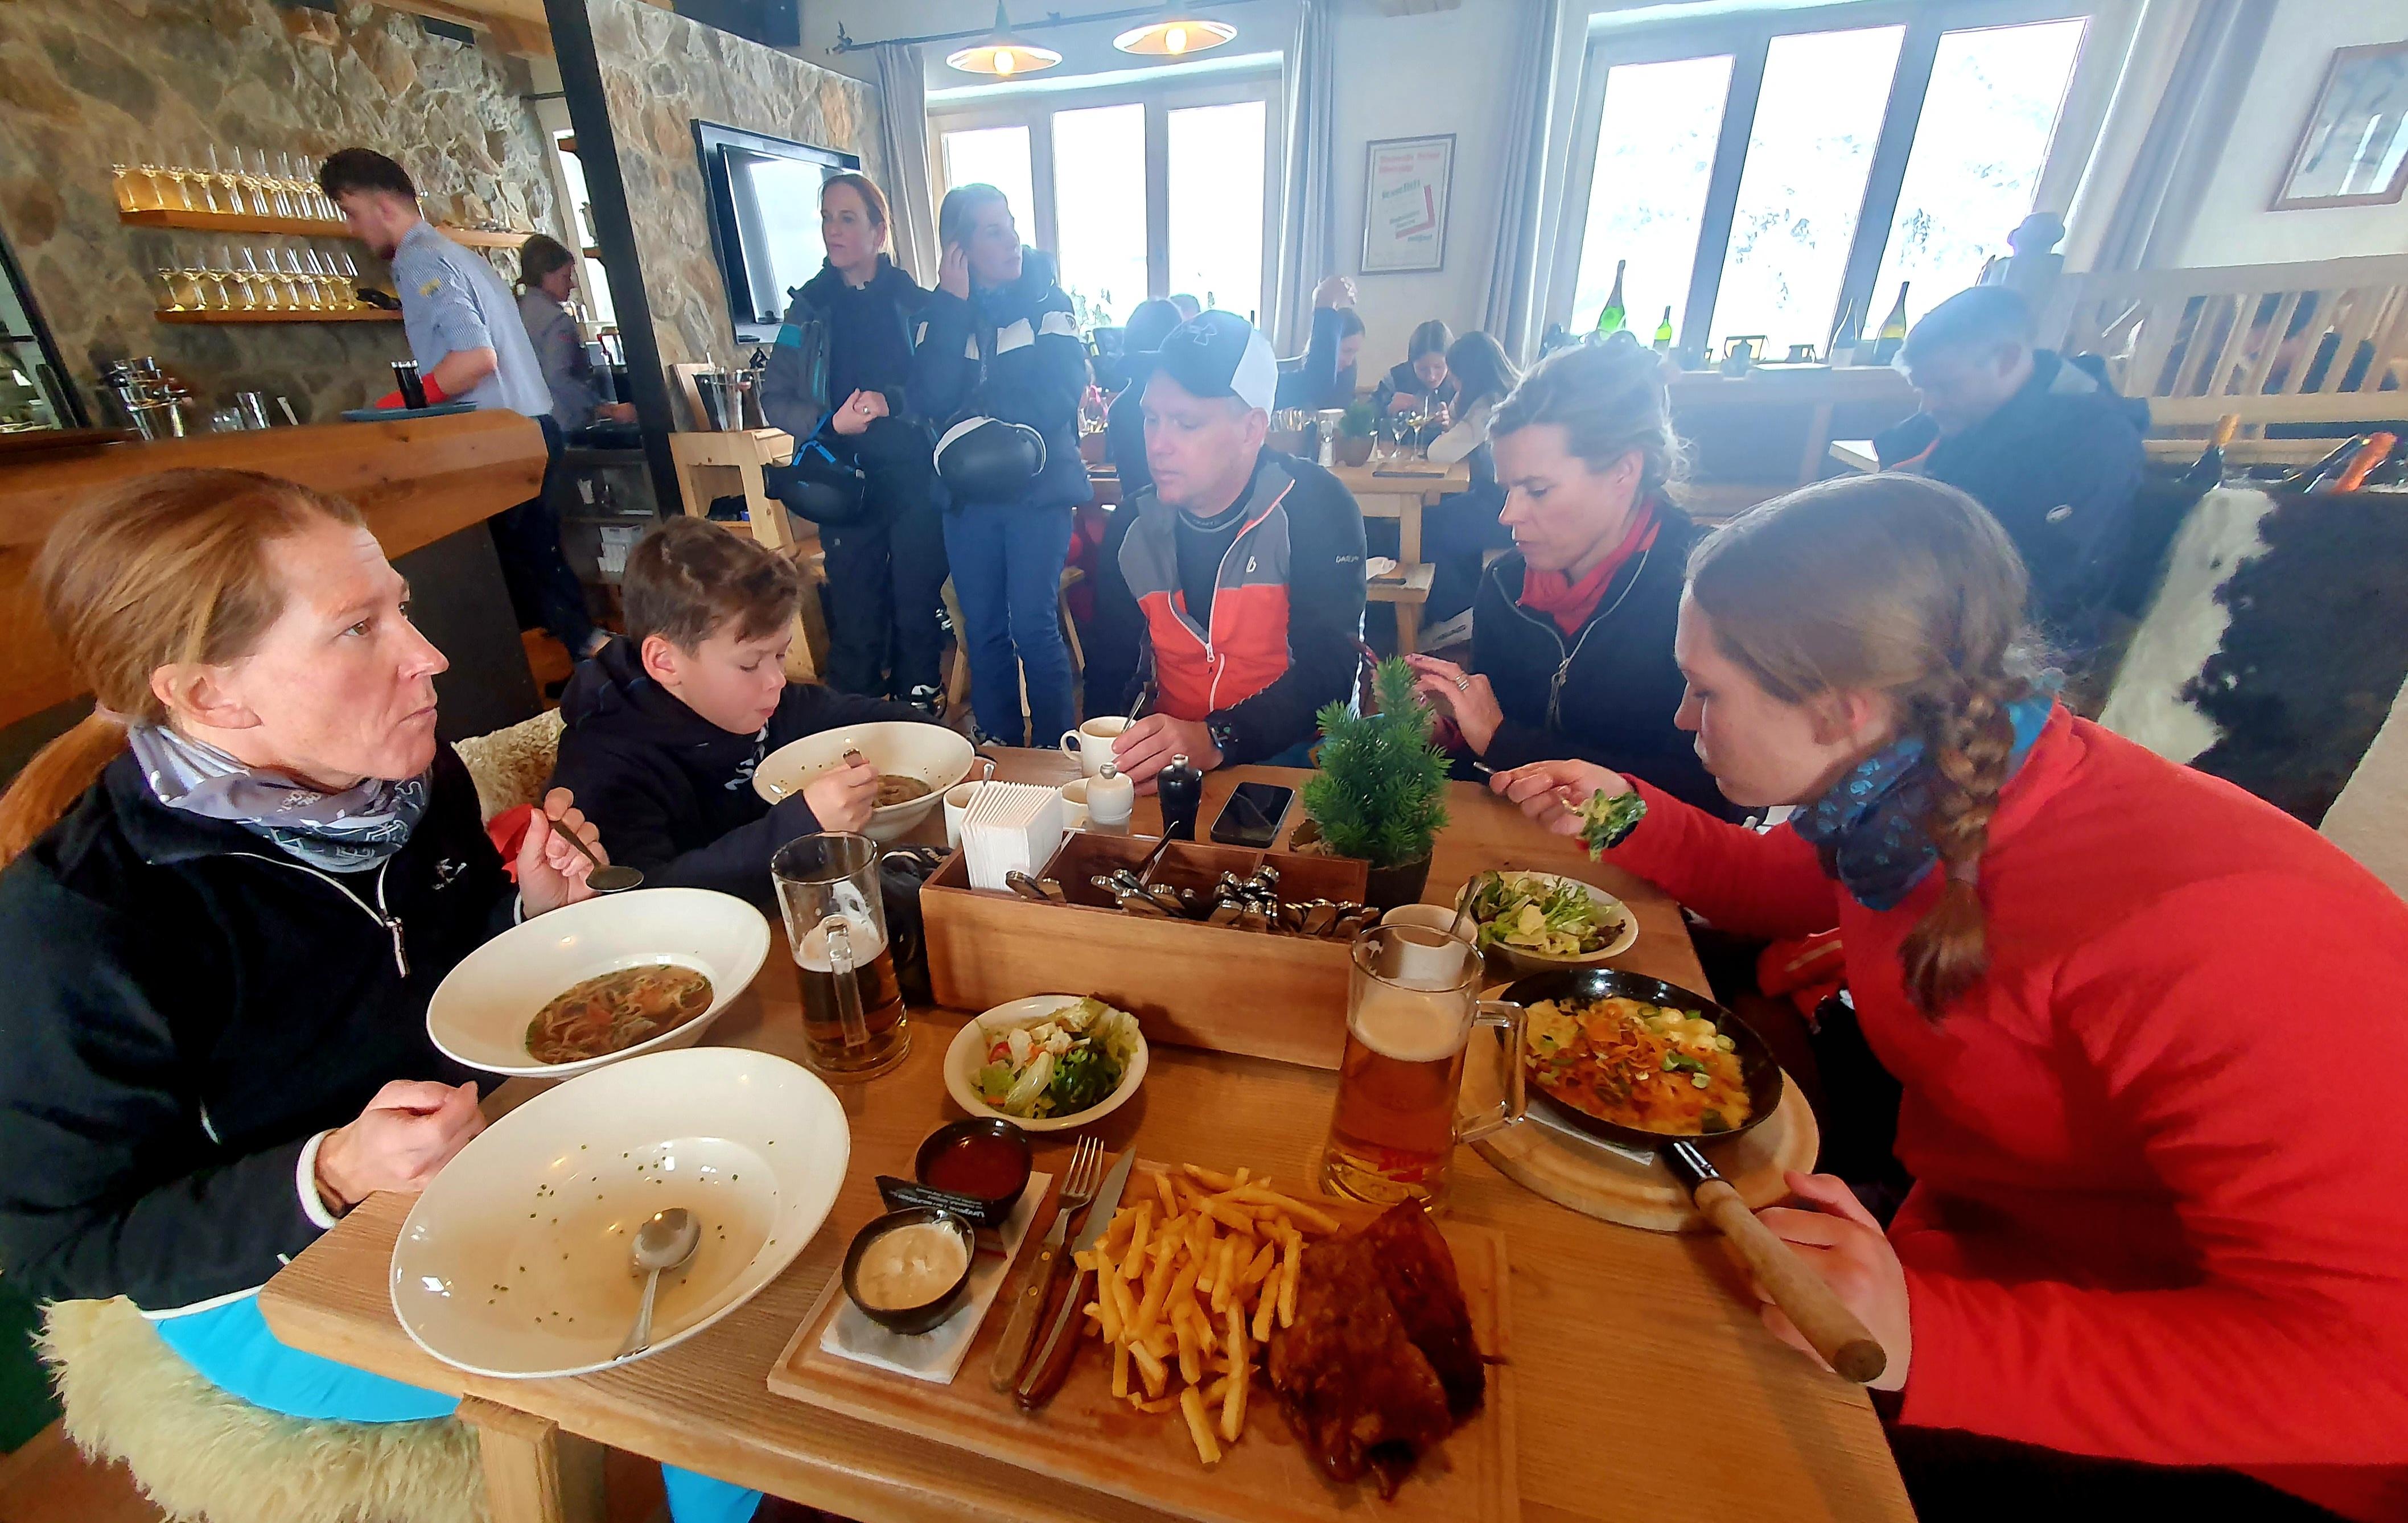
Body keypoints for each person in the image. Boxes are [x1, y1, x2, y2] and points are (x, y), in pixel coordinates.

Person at [1495, 474, 2408, 1521]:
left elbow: (2371, 1370)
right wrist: (1625, 816)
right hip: (1961, 1256)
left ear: (1844, 706)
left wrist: (1927, 1332)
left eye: (1708, 691)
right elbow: (1781, 885)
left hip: (2221, 1437)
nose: (1681, 715)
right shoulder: (1912, 793)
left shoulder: (2222, 924)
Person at [0, 470, 768, 1523]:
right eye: (358, 629)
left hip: (481, 1162)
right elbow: (59, 1247)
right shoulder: (84, 917)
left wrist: (529, 920)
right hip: (277, 1284)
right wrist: (332, 1170)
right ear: (211, 694)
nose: (429, 656)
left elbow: (443, 993)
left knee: (741, 1200)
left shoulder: (412, 781)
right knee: (694, 1340)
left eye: (399, 606)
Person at [548, 518, 938, 908]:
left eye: (781, 655)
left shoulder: (761, 702)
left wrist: (954, 748)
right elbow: (644, 899)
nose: (777, 681)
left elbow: (861, 716)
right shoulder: (605, 761)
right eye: (750, 664)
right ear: (665, 662)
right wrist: (802, 826)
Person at [1407, 342, 1726, 813]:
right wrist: (1448, 738)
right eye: (1507, 489)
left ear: (1624, 472)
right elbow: (1493, 765)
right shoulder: (1504, 585)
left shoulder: (1705, 595)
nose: (1508, 515)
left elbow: (1709, 796)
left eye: (1537, 490)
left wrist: (1501, 740)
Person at [321, 149, 603, 661]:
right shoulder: (453, 252)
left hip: (498, 438)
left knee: (526, 580)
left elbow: (473, 358)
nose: (352, 229)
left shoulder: (419, 258)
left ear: (383, 205)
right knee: (543, 570)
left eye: (350, 212)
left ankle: (578, 683)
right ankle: (578, 676)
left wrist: (392, 407)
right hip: (528, 428)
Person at [1088, 312, 1367, 783]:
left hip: (1303, 761)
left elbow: (1330, 677)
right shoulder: (1132, 528)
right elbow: (1108, 674)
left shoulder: (1317, 507)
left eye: (1185, 424)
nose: (1158, 444)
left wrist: (1216, 738)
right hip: (1176, 762)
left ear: (1251, 430)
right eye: (1151, 418)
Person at [911, 183, 1092, 746]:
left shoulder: (1048, 302)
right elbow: (930, 399)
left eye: (1010, 223)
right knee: (982, 630)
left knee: (1033, 626)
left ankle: (1058, 754)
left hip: (1037, 492)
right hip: (968, 499)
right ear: (958, 249)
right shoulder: (938, 313)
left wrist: (985, 416)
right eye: (993, 229)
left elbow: (1063, 390)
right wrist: (952, 305)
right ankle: (1002, 751)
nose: (1012, 237)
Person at [757, 171, 945, 711]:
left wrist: (895, 402)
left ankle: (919, 716)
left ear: (878, 231)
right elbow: (776, 396)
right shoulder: (807, 308)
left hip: (913, 480)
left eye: (846, 218)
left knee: (915, 606)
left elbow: (942, 389)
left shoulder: (919, 305)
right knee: (856, 608)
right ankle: (856, 727)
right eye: (825, 218)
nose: (832, 231)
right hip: (840, 484)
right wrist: (828, 424)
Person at [1872, 285, 2147, 641]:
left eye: (1945, 387)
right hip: (1936, 602)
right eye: (1920, 388)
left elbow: (2044, 586)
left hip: (2024, 641)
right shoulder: (1970, 411)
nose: (1929, 405)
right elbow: (1897, 456)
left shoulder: (2095, 440)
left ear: (2007, 360)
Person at [1416, 330, 1519, 627]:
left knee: (1426, 528)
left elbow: (1439, 452)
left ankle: (1453, 615)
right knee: (1440, 521)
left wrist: (1458, 405)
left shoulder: (1488, 406)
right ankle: (1458, 610)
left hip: (1503, 507)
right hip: (1505, 500)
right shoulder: (1508, 394)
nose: (1452, 381)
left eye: (1455, 375)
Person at [514, 233, 635, 437]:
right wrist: (609, 410)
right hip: (563, 427)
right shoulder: (556, 321)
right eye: (565, 277)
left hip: (528, 425)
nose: (572, 284)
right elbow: (558, 378)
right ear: (546, 276)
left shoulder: (517, 310)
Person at [1272, 275, 1365, 413]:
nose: (1350, 361)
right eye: (1347, 351)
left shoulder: (1347, 374)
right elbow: (1318, 383)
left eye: (1354, 353)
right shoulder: (1283, 378)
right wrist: (1325, 300)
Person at [1372, 319, 1460, 418]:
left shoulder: (1459, 383)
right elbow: (1367, 413)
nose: (1431, 377)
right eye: (1423, 369)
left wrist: (1451, 425)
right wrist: (1387, 410)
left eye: (1438, 367)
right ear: (1411, 363)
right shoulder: (1395, 378)